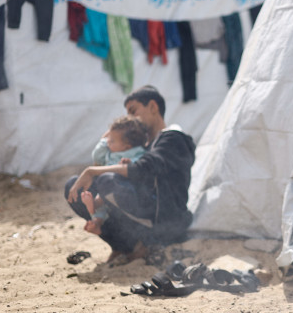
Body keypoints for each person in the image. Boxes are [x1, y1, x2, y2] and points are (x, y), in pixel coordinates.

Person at [65, 85, 196, 264]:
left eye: (133, 111)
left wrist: (91, 171)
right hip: (142, 216)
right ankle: (124, 246)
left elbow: (143, 168)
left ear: (153, 107)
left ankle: (148, 242)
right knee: (74, 186)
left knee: (107, 181)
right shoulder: (140, 147)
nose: (130, 119)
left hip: (167, 222)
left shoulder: (172, 138)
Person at [80, 115, 150, 235]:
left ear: (126, 147)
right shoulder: (111, 152)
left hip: (125, 192)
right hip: (106, 189)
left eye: (112, 141)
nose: (108, 142)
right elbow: (97, 156)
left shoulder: (137, 153)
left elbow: (138, 169)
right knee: (101, 196)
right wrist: (105, 140)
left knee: (104, 193)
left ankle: (95, 206)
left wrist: (128, 164)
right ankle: (97, 222)